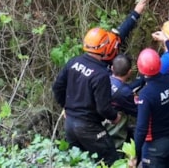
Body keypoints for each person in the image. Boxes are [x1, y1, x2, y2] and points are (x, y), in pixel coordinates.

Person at [52, 27, 124, 164]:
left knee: (79, 162)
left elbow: (57, 88)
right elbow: (103, 108)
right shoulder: (101, 75)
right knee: (111, 160)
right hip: (89, 127)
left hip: (70, 124)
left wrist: (66, 107)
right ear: (104, 47)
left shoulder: (73, 62)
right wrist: (115, 117)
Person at [130, 46, 169, 168]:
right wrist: (168, 41)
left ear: (141, 70)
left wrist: (135, 153)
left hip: (156, 147)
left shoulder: (146, 95)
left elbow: (141, 129)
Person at [107, 53, 141, 149]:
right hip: (112, 125)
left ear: (112, 68)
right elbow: (136, 111)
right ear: (129, 72)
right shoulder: (124, 92)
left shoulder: (104, 78)